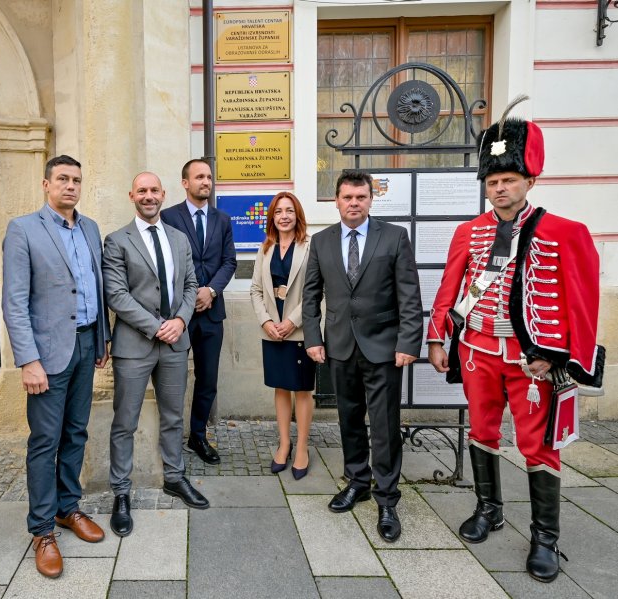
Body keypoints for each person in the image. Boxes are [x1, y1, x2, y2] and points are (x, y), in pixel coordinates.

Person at [427, 97, 602, 583]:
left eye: (508, 180)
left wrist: (559, 357)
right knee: (482, 432)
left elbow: (582, 303)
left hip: (531, 364)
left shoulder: (564, 233)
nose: (499, 189)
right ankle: (489, 509)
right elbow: (451, 289)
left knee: (537, 446)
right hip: (478, 352)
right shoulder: (469, 232)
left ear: (529, 181)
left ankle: (545, 537)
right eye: (493, 181)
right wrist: (439, 339)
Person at [2, 155, 110, 579]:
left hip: (86, 343)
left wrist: (101, 338)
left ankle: (69, 509)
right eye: (62, 179)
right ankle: (42, 529)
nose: (70, 186)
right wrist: (28, 360)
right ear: (46, 184)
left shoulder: (90, 229)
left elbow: (95, 287)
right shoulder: (24, 229)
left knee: (76, 431)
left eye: (76, 180)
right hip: (47, 354)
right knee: (45, 440)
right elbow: (14, 301)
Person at [303, 169, 422, 543]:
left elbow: (409, 294)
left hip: (384, 347)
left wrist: (408, 342)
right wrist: (313, 338)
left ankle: (387, 499)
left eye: (361, 197)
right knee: (349, 418)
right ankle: (357, 481)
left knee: (385, 424)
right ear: (336, 201)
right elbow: (310, 296)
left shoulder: (395, 237)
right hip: (339, 346)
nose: (354, 203)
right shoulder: (321, 241)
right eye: (347, 197)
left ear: (371, 199)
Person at [103, 171, 208, 537]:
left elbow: (191, 285)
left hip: (176, 343)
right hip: (135, 346)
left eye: (154, 190)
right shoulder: (117, 240)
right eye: (142, 190)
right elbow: (116, 294)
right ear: (132, 194)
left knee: (173, 416)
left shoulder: (178, 238)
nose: (149, 196)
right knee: (125, 422)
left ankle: (175, 478)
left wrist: (180, 320)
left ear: (163, 194)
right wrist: (155, 325)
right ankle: (120, 492)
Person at [160, 159, 236, 465]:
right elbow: (163, 264)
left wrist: (212, 291)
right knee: (172, 378)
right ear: (185, 183)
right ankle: (170, 438)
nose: (206, 181)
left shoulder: (223, 219)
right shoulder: (167, 217)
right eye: (199, 177)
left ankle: (198, 436)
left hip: (212, 313)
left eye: (209, 176)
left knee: (208, 379)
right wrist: (190, 298)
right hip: (179, 313)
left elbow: (229, 261)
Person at [249, 192, 315, 479]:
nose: (284, 216)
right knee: (280, 387)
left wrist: (292, 321)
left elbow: (314, 290)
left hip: (298, 329)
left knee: (301, 388)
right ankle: (284, 443)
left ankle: (302, 447)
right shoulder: (265, 248)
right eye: (278, 211)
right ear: (272, 217)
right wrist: (266, 322)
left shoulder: (310, 246)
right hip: (272, 331)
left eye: (289, 210)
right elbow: (255, 290)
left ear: (297, 214)